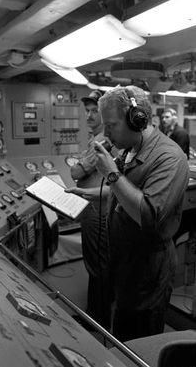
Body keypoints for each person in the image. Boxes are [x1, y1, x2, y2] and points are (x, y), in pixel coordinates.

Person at [93, 86, 189, 342]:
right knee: (122, 327)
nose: (106, 132)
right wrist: (92, 192)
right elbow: (130, 190)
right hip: (125, 260)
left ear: (138, 119)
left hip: (148, 267)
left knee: (138, 337)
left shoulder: (169, 157)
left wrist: (111, 174)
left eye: (111, 125)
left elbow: (147, 214)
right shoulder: (131, 147)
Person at [69, 89, 114, 331]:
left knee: (98, 264)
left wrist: (77, 165)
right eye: (86, 111)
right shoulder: (96, 137)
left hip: (97, 208)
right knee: (95, 262)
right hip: (93, 205)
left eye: (94, 111)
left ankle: (98, 320)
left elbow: (76, 172)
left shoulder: (103, 139)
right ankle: (94, 314)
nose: (89, 115)